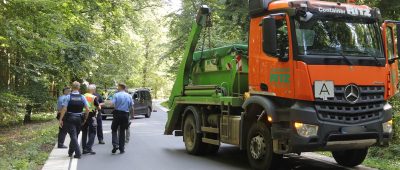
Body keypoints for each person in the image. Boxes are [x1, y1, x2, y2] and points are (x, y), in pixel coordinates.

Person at [59, 81, 90, 159]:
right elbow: (87, 109)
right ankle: (70, 152)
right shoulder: (82, 97)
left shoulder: (68, 97)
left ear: (72, 88)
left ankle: (78, 153)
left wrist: (60, 119)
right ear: (79, 88)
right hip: (79, 118)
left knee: (73, 136)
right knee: (75, 135)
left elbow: (64, 109)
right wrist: (85, 118)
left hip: (70, 118)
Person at [111, 83, 133, 154]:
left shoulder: (116, 95)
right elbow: (131, 106)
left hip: (117, 113)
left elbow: (112, 104)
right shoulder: (129, 95)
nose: (117, 88)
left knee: (114, 129)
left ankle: (115, 144)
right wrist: (131, 115)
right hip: (125, 114)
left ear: (120, 87)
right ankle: (121, 149)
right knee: (122, 131)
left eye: (118, 86)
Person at [81, 84, 100, 155]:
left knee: (84, 132)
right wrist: (99, 107)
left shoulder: (83, 96)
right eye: (94, 90)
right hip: (91, 115)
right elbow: (98, 107)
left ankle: (84, 149)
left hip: (83, 115)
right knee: (93, 132)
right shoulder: (94, 97)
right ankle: (88, 147)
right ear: (93, 90)